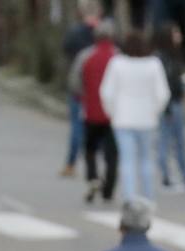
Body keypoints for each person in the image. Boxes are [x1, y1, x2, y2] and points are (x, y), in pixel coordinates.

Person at [102, 32, 171, 204]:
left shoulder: (117, 64)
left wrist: (112, 112)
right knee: (146, 159)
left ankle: (129, 197)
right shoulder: (153, 64)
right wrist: (155, 112)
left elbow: (107, 92)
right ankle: (148, 197)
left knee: (127, 160)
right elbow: (163, 94)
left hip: (123, 118)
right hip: (147, 119)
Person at [70, 19, 120, 204]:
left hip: (90, 111)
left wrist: (84, 95)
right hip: (113, 113)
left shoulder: (85, 56)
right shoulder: (118, 57)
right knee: (112, 153)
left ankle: (92, 177)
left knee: (90, 148)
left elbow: (75, 82)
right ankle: (108, 189)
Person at [156, 23, 185, 192]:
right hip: (170, 103)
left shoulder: (175, 55)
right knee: (167, 141)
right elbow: (165, 83)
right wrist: (166, 105)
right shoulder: (163, 57)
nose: (179, 36)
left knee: (179, 141)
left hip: (176, 101)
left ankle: (184, 174)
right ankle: (167, 175)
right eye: (175, 33)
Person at [61, 1, 102, 177]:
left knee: (77, 128)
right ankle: (98, 164)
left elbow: (66, 52)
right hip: (100, 89)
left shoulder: (74, 33)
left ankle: (71, 164)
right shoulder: (104, 33)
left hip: (80, 88)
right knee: (100, 127)